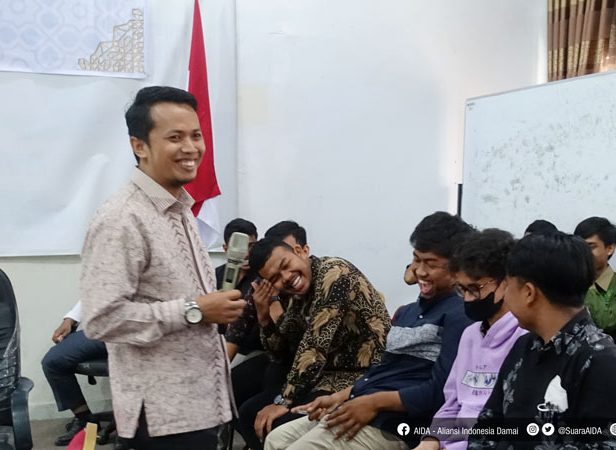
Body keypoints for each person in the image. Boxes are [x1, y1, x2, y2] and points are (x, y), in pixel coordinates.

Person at [81, 86, 246, 450]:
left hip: (201, 405)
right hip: (162, 419)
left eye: (195, 135)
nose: (190, 148)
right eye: (175, 138)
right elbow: (101, 319)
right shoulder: (122, 219)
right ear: (139, 146)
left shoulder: (181, 209)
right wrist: (194, 310)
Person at [265, 211, 475, 450]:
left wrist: (372, 403)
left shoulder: (459, 315)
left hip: (394, 425)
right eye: (416, 260)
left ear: (457, 267)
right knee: (276, 440)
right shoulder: (408, 312)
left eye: (431, 264)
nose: (420, 271)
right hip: (362, 404)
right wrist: (339, 397)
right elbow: (382, 371)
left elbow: (440, 392)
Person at [239, 236, 392, 450]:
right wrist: (264, 317)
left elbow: (314, 348)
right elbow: (280, 354)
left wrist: (283, 401)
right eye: (275, 278)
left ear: (301, 251)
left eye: (285, 265)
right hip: (325, 379)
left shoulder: (334, 273)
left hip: (362, 378)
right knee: (249, 413)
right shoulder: (296, 296)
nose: (286, 277)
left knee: (276, 423)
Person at [468, 232, 616, 449]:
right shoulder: (523, 346)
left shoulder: (600, 360)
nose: (506, 296)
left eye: (508, 286)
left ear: (529, 293)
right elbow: (487, 427)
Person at [412, 229, 526, 450]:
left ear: (506, 282)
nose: (467, 299)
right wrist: (431, 440)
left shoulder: (525, 338)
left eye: (475, 289)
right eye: (462, 289)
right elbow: (452, 405)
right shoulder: (470, 335)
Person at [41, 301, 108, 446]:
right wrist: (70, 319)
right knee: (54, 361)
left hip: (139, 329)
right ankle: (85, 419)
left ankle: (135, 426)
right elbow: (93, 293)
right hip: (103, 330)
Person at [216, 217, 259, 360]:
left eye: (251, 246)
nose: (246, 254)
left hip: (249, 351)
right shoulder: (214, 276)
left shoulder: (262, 278)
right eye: (240, 247)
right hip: (216, 346)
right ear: (226, 248)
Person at [574, 216, 616, 339]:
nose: (583, 252)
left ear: (609, 249)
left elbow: (606, 323)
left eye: (591, 246)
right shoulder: (571, 281)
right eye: (579, 247)